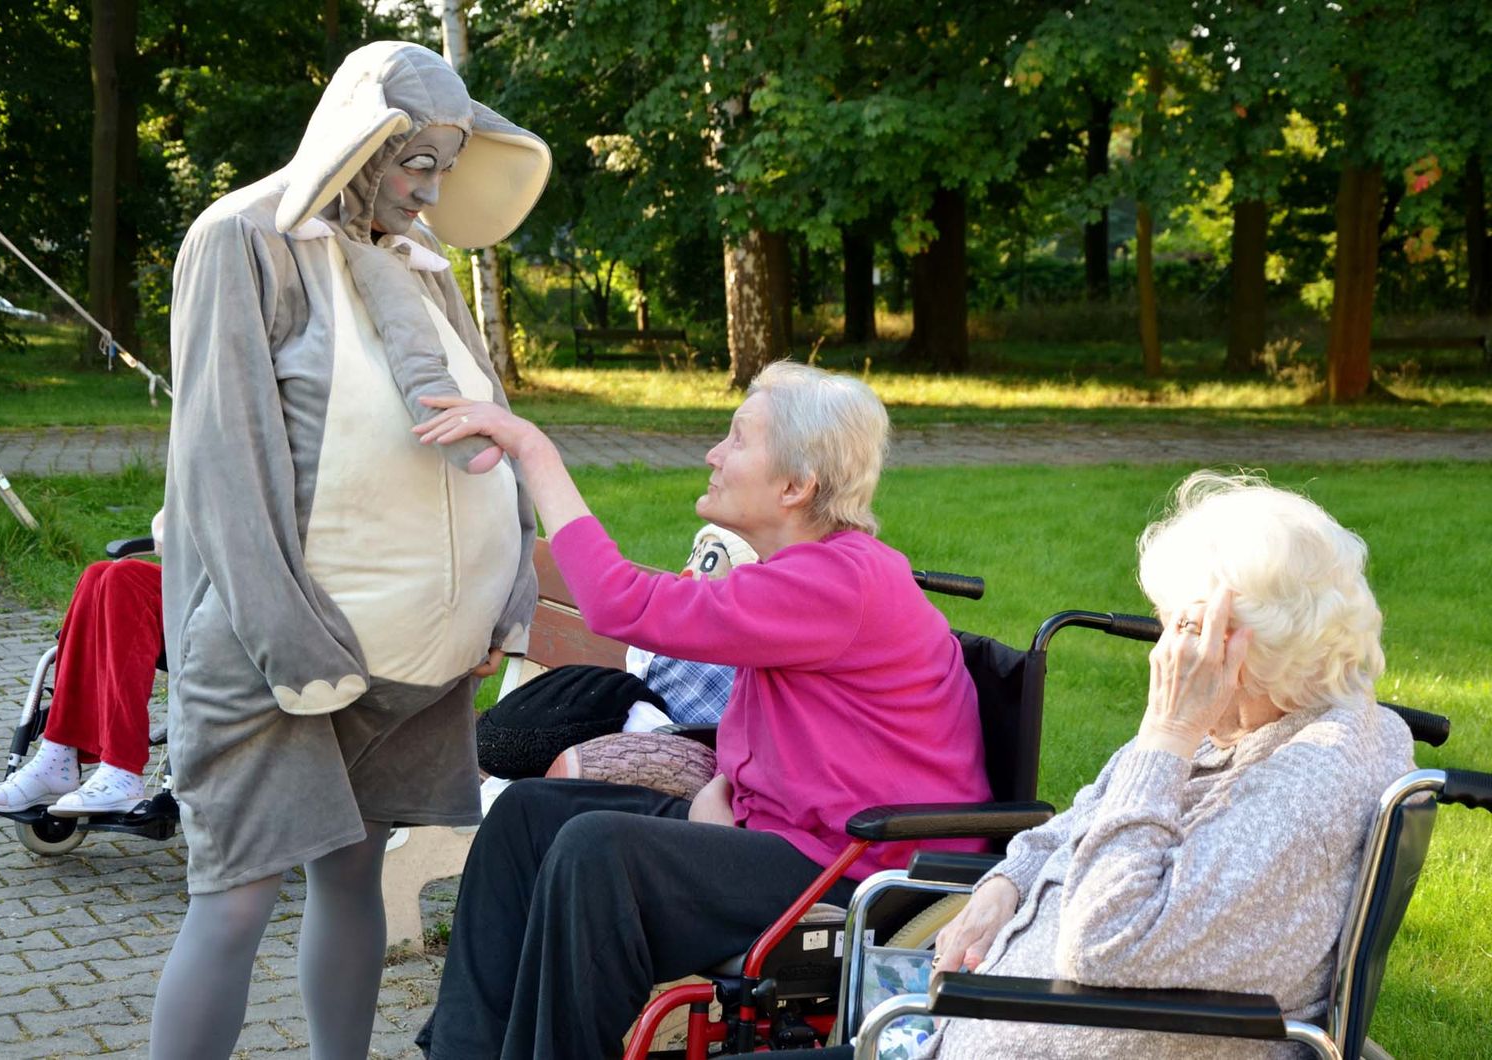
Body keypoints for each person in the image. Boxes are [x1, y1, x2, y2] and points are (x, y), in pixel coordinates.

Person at [412, 360, 994, 1060]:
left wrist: (533, 450)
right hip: (798, 840)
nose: (714, 454)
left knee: (599, 853)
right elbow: (801, 736)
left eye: (738, 439)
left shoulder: (834, 582)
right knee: (526, 817)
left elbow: (618, 603)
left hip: (862, 872)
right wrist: (726, 790)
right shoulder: (807, 576)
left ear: (795, 486)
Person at [149, 42, 549, 1060]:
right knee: (237, 896)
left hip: (413, 657)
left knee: (355, 870)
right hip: (276, 646)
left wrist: (507, 590)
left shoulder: (418, 259)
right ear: (362, 136)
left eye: (445, 166)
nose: (430, 189)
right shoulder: (245, 238)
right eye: (415, 161)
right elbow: (221, 456)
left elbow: (488, 419)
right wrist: (287, 637)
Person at [733, 471, 1418, 1060]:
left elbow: (1107, 941)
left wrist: (1167, 734)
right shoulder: (1242, 730)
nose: (1164, 650)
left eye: (1183, 629)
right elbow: (1080, 820)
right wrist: (1006, 884)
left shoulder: (1302, 783)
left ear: (1241, 644)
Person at [0, 511, 166, 816]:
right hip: (200, 578)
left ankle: (123, 770)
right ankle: (59, 753)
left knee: (125, 577)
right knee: (97, 574)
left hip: (232, 597)